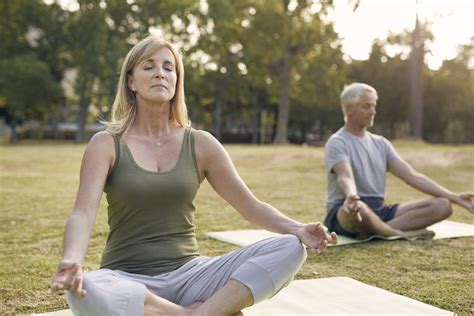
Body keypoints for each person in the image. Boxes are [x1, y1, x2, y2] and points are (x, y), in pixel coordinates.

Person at [50, 35, 337, 316]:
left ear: (176, 80)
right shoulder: (106, 143)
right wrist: (72, 259)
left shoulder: (201, 143)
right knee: (86, 287)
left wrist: (297, 229)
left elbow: (251, 207)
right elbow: (83, 213)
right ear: (131, 81)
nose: (160, 73)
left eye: (168, 67)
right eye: (148, 66)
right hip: (128, 277)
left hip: (193, 277)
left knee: (289, 248)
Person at [323, 82, 473, 239]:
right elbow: (344, 176)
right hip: (347, 208)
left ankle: (376, 231)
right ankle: (398, 233)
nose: (373, 111)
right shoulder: (337, 142)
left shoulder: (381, 143)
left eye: (374, 106)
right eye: (366, 106)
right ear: (349, 109)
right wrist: (351, 196)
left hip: (378, 211)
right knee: (359, 208)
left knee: (443, 205)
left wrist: (456, 198)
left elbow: (412, 176)